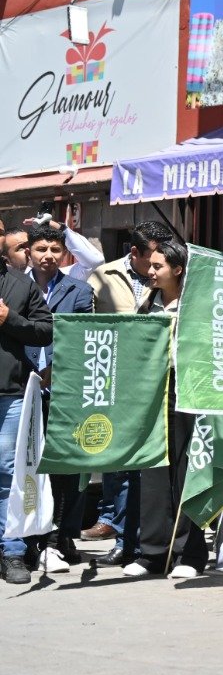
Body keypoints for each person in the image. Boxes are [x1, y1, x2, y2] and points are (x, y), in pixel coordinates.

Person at [84, 220, 173, 566]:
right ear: (134, 252)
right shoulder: (103, 277)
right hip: (117, 385)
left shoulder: (169, 280)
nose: (155, 265)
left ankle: (147, 542)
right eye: (151, 258)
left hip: (157, 386)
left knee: (148, 468)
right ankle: (122, 538)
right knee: (119, 467)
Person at [127, 241, 211, 579]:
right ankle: (153, 553)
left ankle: (190, 553)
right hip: (152, 395)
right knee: (153, 472)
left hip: (187, 392)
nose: (151, 272)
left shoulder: (197, 305)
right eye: (150, 266)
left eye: (158, 266)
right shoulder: (146, 304)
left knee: (186, 471)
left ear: (177, 269)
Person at [24, 227, 94, 571]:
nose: (48, 255)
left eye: (54, 248)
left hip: (62, 390)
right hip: (20, 389)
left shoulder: (78, 289)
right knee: (25, 465)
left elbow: (80, 335)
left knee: (66, 467)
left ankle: (62, 534)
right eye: (41, 248)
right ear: (28, 252)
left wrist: (54, 367)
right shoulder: (16, 286)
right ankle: (31, 538)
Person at [0, 233, 53, 585]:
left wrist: (9, 319)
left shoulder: (21, 284)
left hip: (10, 396)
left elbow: (45, 330)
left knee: (8, 474)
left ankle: (13, 550)